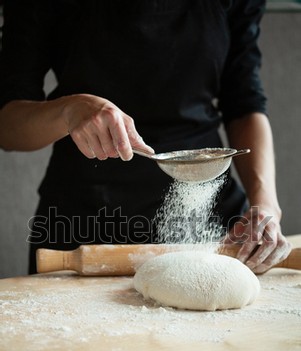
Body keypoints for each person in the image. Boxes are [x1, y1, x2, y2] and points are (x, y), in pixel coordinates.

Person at [0, 0, 291, 275]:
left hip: (210, 219)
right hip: (83, 222)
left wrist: (265, 202)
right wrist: (67, 110)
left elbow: (244, 102)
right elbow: (7, 126)